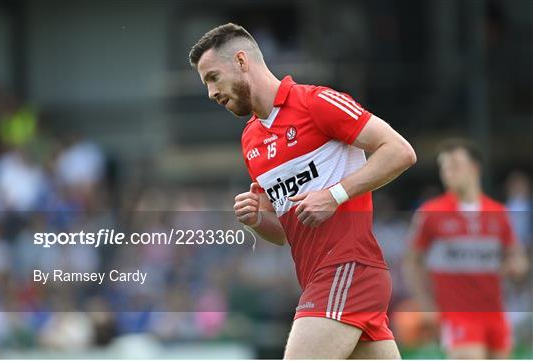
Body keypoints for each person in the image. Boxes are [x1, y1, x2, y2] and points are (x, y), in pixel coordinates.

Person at [189, 23, 416, 359]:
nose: (211, 92)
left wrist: (335, 194)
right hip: (321, 279)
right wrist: (257, 219)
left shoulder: (316, 102)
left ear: (240, 61)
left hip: (347, 269)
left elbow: (400, 151)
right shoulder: (250, 141)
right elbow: (285, 233)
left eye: (212, 77)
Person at [404, 138, 528, 359]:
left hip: (495, 313)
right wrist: (425, 304)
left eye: (455, 165)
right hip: (457, 315)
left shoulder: (498, 213)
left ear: (474, 168)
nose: (448, 172)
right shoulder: (431, 213)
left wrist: (517, 264)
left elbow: (516, 254)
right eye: (444, 167)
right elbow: (412, 261)